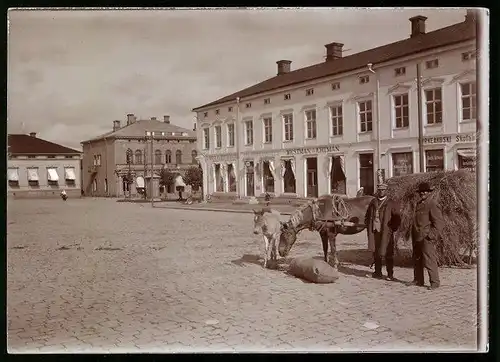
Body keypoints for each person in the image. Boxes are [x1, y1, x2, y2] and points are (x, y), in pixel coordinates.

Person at [409, 182, 444, 290]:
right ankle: (418, 280)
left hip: (426, 237)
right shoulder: (419, 204)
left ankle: (434, 282)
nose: (422, 193)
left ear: (429, 192)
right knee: (417, 259)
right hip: (417, 237)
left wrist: (431, 235)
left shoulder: (432, 204)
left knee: (429, 259)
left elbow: (439, 223)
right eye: (421, 192)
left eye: (425, 191)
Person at [367, 183, 401, 280]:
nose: (381, 192)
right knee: (376, 252)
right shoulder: (373, 202)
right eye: (380, 190)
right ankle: (378, 272)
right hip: (375, 232)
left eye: (383, 190)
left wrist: (392, 229)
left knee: (388, 253)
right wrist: (369, 226)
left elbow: (397, 217)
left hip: (386, 232)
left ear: (386, 191)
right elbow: (367, 215)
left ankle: (390, 274)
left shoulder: (391, 203)